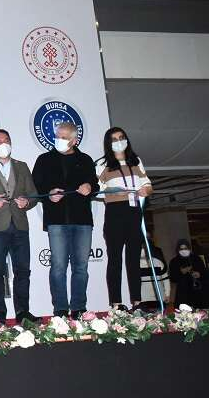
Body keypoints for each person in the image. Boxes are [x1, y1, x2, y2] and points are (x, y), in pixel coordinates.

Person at [32, 122, 99, 319]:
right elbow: (36, 186)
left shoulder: (85, 160)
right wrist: (48, 193)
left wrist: (89, 187)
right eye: (57, 136)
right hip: (56, 220)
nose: (59, 140)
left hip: (82, 220)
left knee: (81, 266)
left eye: (64, 137)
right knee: (58, 266)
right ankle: (60, 309)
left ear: (74, 140)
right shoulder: (44, 159)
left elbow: (95, 184)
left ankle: (79, 308)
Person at [0, 129, 41, 325]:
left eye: (6, 140)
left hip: (20, 225)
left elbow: (34, 195)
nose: (3, 144)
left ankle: (23, 312)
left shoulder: (22, 166)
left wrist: (26, 202)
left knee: (23, 271)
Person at [96, 127, 153, 311]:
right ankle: (116, 303)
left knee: (134, 258)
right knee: (115, 259)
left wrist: (146, 190)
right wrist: (113, 191)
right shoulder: (102, 163)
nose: (119, 141)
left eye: (121, 137)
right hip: (115, 212)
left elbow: (147, 183)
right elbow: (96, 189)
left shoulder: (136, 160)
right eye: (114, 139)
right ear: (108, 143)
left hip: (134, 210)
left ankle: (137, 301)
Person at [169, 239, 208, 309]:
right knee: (185, 312)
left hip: (198, 291)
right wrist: (181, 272)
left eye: (185, 248)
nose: (183, 250)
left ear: (189, 248)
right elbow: (173, 278)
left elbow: (204, 273)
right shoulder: (174, 261)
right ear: (178, 250)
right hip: (183, 293)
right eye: (181, 249)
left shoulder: (197, 259)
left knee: (201, 311)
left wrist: (199, 274)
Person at [139, 238, 169, 312]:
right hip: (143, 300)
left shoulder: (158, 262)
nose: (142, 250)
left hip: (159, 298)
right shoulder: (134, 265)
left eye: (144, 248)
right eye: (140, 248)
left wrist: (167, 294)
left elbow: (165, 279)